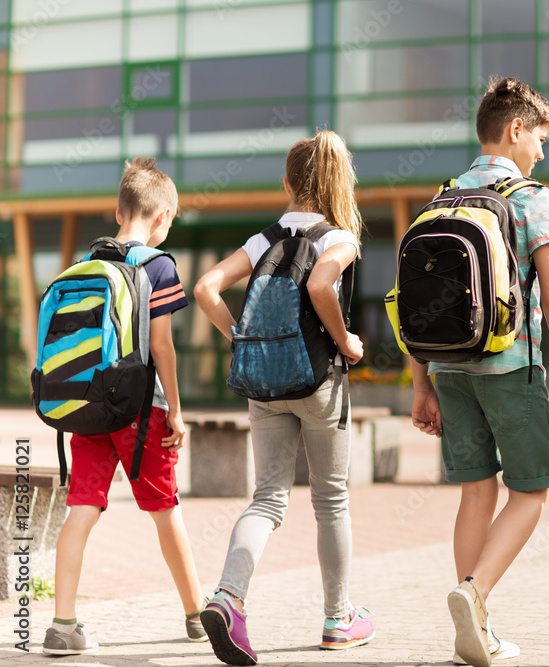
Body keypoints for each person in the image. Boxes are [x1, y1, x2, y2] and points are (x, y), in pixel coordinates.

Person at [409, 76, 549, 667]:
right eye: (538, 137)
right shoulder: (532, 197)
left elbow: (410, 298)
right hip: (512, 365)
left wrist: (420, 385)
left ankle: (473, 627)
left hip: (449, 369)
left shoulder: (441, 198)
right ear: (514, 129)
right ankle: (474, 594)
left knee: (475, 491)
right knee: (530, 492)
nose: (541, 150)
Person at [193, 130, 372, 666]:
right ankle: (339, 619)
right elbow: (321, 285)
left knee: (268, 498)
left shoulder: (262, 239)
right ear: (336, 181)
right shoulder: (338, 236)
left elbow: (205, 288)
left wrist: (240, 338)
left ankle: (229, 597)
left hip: (264, 384)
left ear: (289, 182)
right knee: (331, 500)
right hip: (319, 382)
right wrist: (347, 342)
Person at [43, 158, 206, 655]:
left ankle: (62, 624)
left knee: (82, 508)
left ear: (119, 211)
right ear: (163, 218)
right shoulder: (158, 265)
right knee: (164, 510)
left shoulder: (84, 266)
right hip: (142, 411)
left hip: (88, 405)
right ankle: (198, 615)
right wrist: (175, 410)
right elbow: (162, 346)